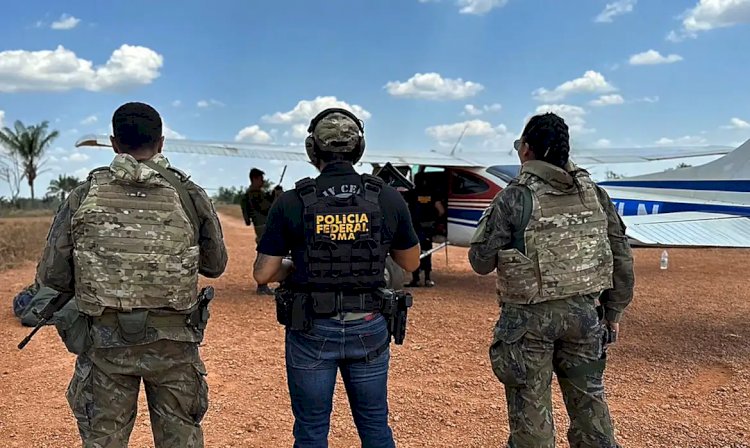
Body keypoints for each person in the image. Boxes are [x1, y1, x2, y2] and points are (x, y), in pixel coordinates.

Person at [35, 101, 228, 447]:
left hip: (106, 346)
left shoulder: (84, 194)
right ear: (162, 142)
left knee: (103, 440)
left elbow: (53, 275)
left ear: (114, 142)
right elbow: (215, 265)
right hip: (174, 346)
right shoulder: (188, 192)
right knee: (181, 439)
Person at [253, 107, 420, 447]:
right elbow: (411, 262)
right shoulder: (385, 196)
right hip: (370, 324)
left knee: (312, 430)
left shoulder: (292, 201)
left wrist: (297, 265)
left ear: (312, 150)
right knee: (375, 427)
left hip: (312, 328)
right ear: (358, 149)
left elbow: (264, 273)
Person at [468, 112, 634, 448]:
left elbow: (480, 261)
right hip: (585, 317)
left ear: (527, 150)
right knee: (590, 405)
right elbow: (621, 256)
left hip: (528, 324)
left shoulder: (515, 197)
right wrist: (613, 313)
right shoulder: (595, 194)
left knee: (532, 418)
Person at [405, 173, 445, 287]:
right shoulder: (433, 193)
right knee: (427, 252)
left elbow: (406, 208)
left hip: (414, 227)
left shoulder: (411, 193)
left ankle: (415, 279)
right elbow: (441, 210)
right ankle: (427, 279)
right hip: (428, 227)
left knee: (414, 251)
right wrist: (437, 222)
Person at [241, 167, 275, 295]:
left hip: (261, 226)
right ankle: (262, 285)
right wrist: (276, 197)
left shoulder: (251, 194)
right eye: (261, 179)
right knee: (266, 253)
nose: (263, 181)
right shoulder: (255, 194)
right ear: (254, 179)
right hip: (264, 227)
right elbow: (267, 208)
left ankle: (263, 283)